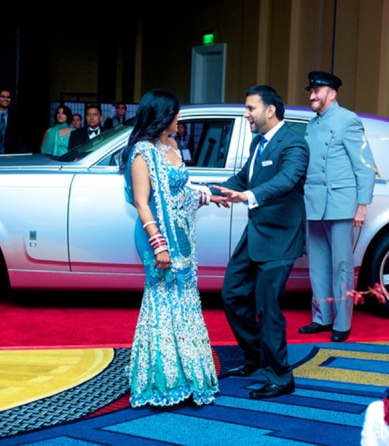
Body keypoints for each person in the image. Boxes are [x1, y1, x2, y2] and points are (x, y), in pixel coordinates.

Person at [120, 88, 227, 408]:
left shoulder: (172, 145)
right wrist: (159, 245)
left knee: (185, 302)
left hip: (182, 238)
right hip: (158, 239)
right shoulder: (142, 152)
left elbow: (179, 192)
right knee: (162, 303)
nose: (179, 120)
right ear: (161, 117)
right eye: (175, 114)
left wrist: (210, 196)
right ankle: (161, 379)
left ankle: (188, 374)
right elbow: (142, 202)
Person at [213, 85, 309, 399]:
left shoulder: (294, 144)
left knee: (268, 308)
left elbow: (285, 180)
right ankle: (255, 357)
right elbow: (243, 178)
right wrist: (210, 193)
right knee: (232, 295)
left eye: (250, 108)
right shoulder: (259, 142)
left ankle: (281, 377)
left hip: (280, 237)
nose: (246, 114)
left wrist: (249, 196)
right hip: (256, 234)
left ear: (270, 110)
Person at [298, 70, 376, 342]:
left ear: (332, 93)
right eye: (310, 91)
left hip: (341, 205)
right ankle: (322, 318)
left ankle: (342, 323)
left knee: (342, 265)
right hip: (314, 204)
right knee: (317, 265)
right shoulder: (312, 124)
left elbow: (364, 167)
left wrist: (362, 206)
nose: (312, 95)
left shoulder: (348, 121)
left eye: (316, 91)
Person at [0, 86, 25, 154]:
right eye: (3, 97)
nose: (6, 99)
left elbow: (21, 140)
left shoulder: (16, 116)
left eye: (8, 97)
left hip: (11, 157)